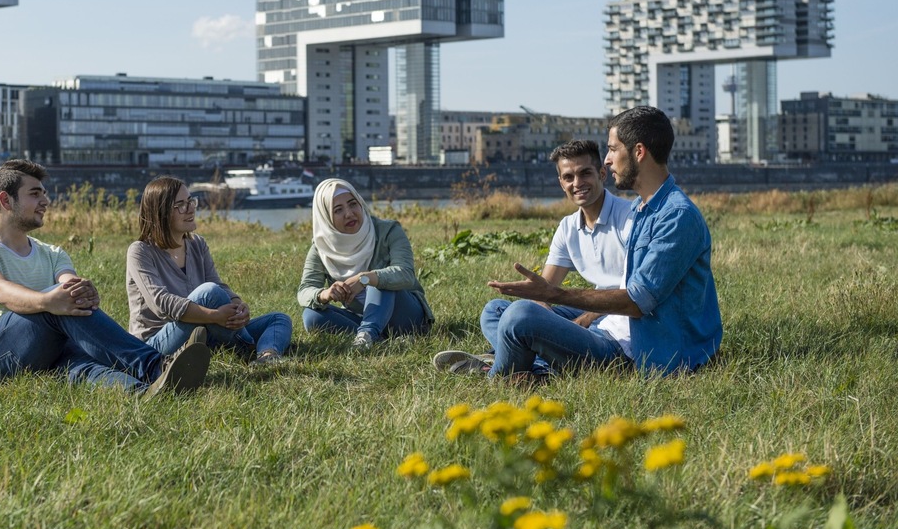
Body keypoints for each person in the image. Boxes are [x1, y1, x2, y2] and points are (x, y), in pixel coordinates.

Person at [488, 107, 723, 376]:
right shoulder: (642, 209)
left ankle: (507, 372)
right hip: (608, 330)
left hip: (633, 351)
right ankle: (530, 365)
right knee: (503, 312)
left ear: (638, 152)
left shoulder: (677, 217)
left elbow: (636, 302)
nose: (608, 161)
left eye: (612, 149)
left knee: (520, 317)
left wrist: (555, 295)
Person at [0, 160, 210, 396]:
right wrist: (49, 301)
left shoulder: (53, 253)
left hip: (48, 348)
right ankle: (155, 365)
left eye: (44, 193)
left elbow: (69, 287)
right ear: (6, 201)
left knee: (82, 366)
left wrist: (81, 292)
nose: (45, 200)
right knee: (58, 299)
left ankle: (146, 391)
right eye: (35, 194)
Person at [434, 139, 636, 377]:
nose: (577, 183)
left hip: (618, 338)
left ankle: (499, 371)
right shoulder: (569, 227)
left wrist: (583, 319)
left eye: (585, 173)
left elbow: (632, 297)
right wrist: (540, 311)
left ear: (602, 173)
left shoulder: (629, 219)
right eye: (569, 177)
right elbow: (545, 291)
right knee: (497, 310)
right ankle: (534, 363)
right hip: (591, 320)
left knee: (520, 317)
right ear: (561, 183)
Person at [126, 176, 293, 365]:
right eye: (180, 205)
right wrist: (214, 315)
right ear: (161, 212)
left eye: (190, 201)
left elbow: (219, 284)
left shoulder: (197, 244)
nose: (190, 209)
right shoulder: (140, 251)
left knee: (279, 319)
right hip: (156, 342)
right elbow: (161, 303)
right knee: (208, 292)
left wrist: (238, 305)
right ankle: (248, 346)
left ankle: (267, 355)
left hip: (203, 330)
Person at [297, 178, 434, 349]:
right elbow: (304, 291)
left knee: (379, 279)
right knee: (311, 316)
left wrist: (365, 278)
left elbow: (405, 274)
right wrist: (325, 294)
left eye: (353, 204)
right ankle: (374, 338)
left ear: (360, 203)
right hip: (361, 317)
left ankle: (367, 335)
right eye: (338, 210)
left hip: (406, 318)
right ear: (326, 217)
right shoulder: (321, 248)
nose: (349, 213)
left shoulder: (388, 230)